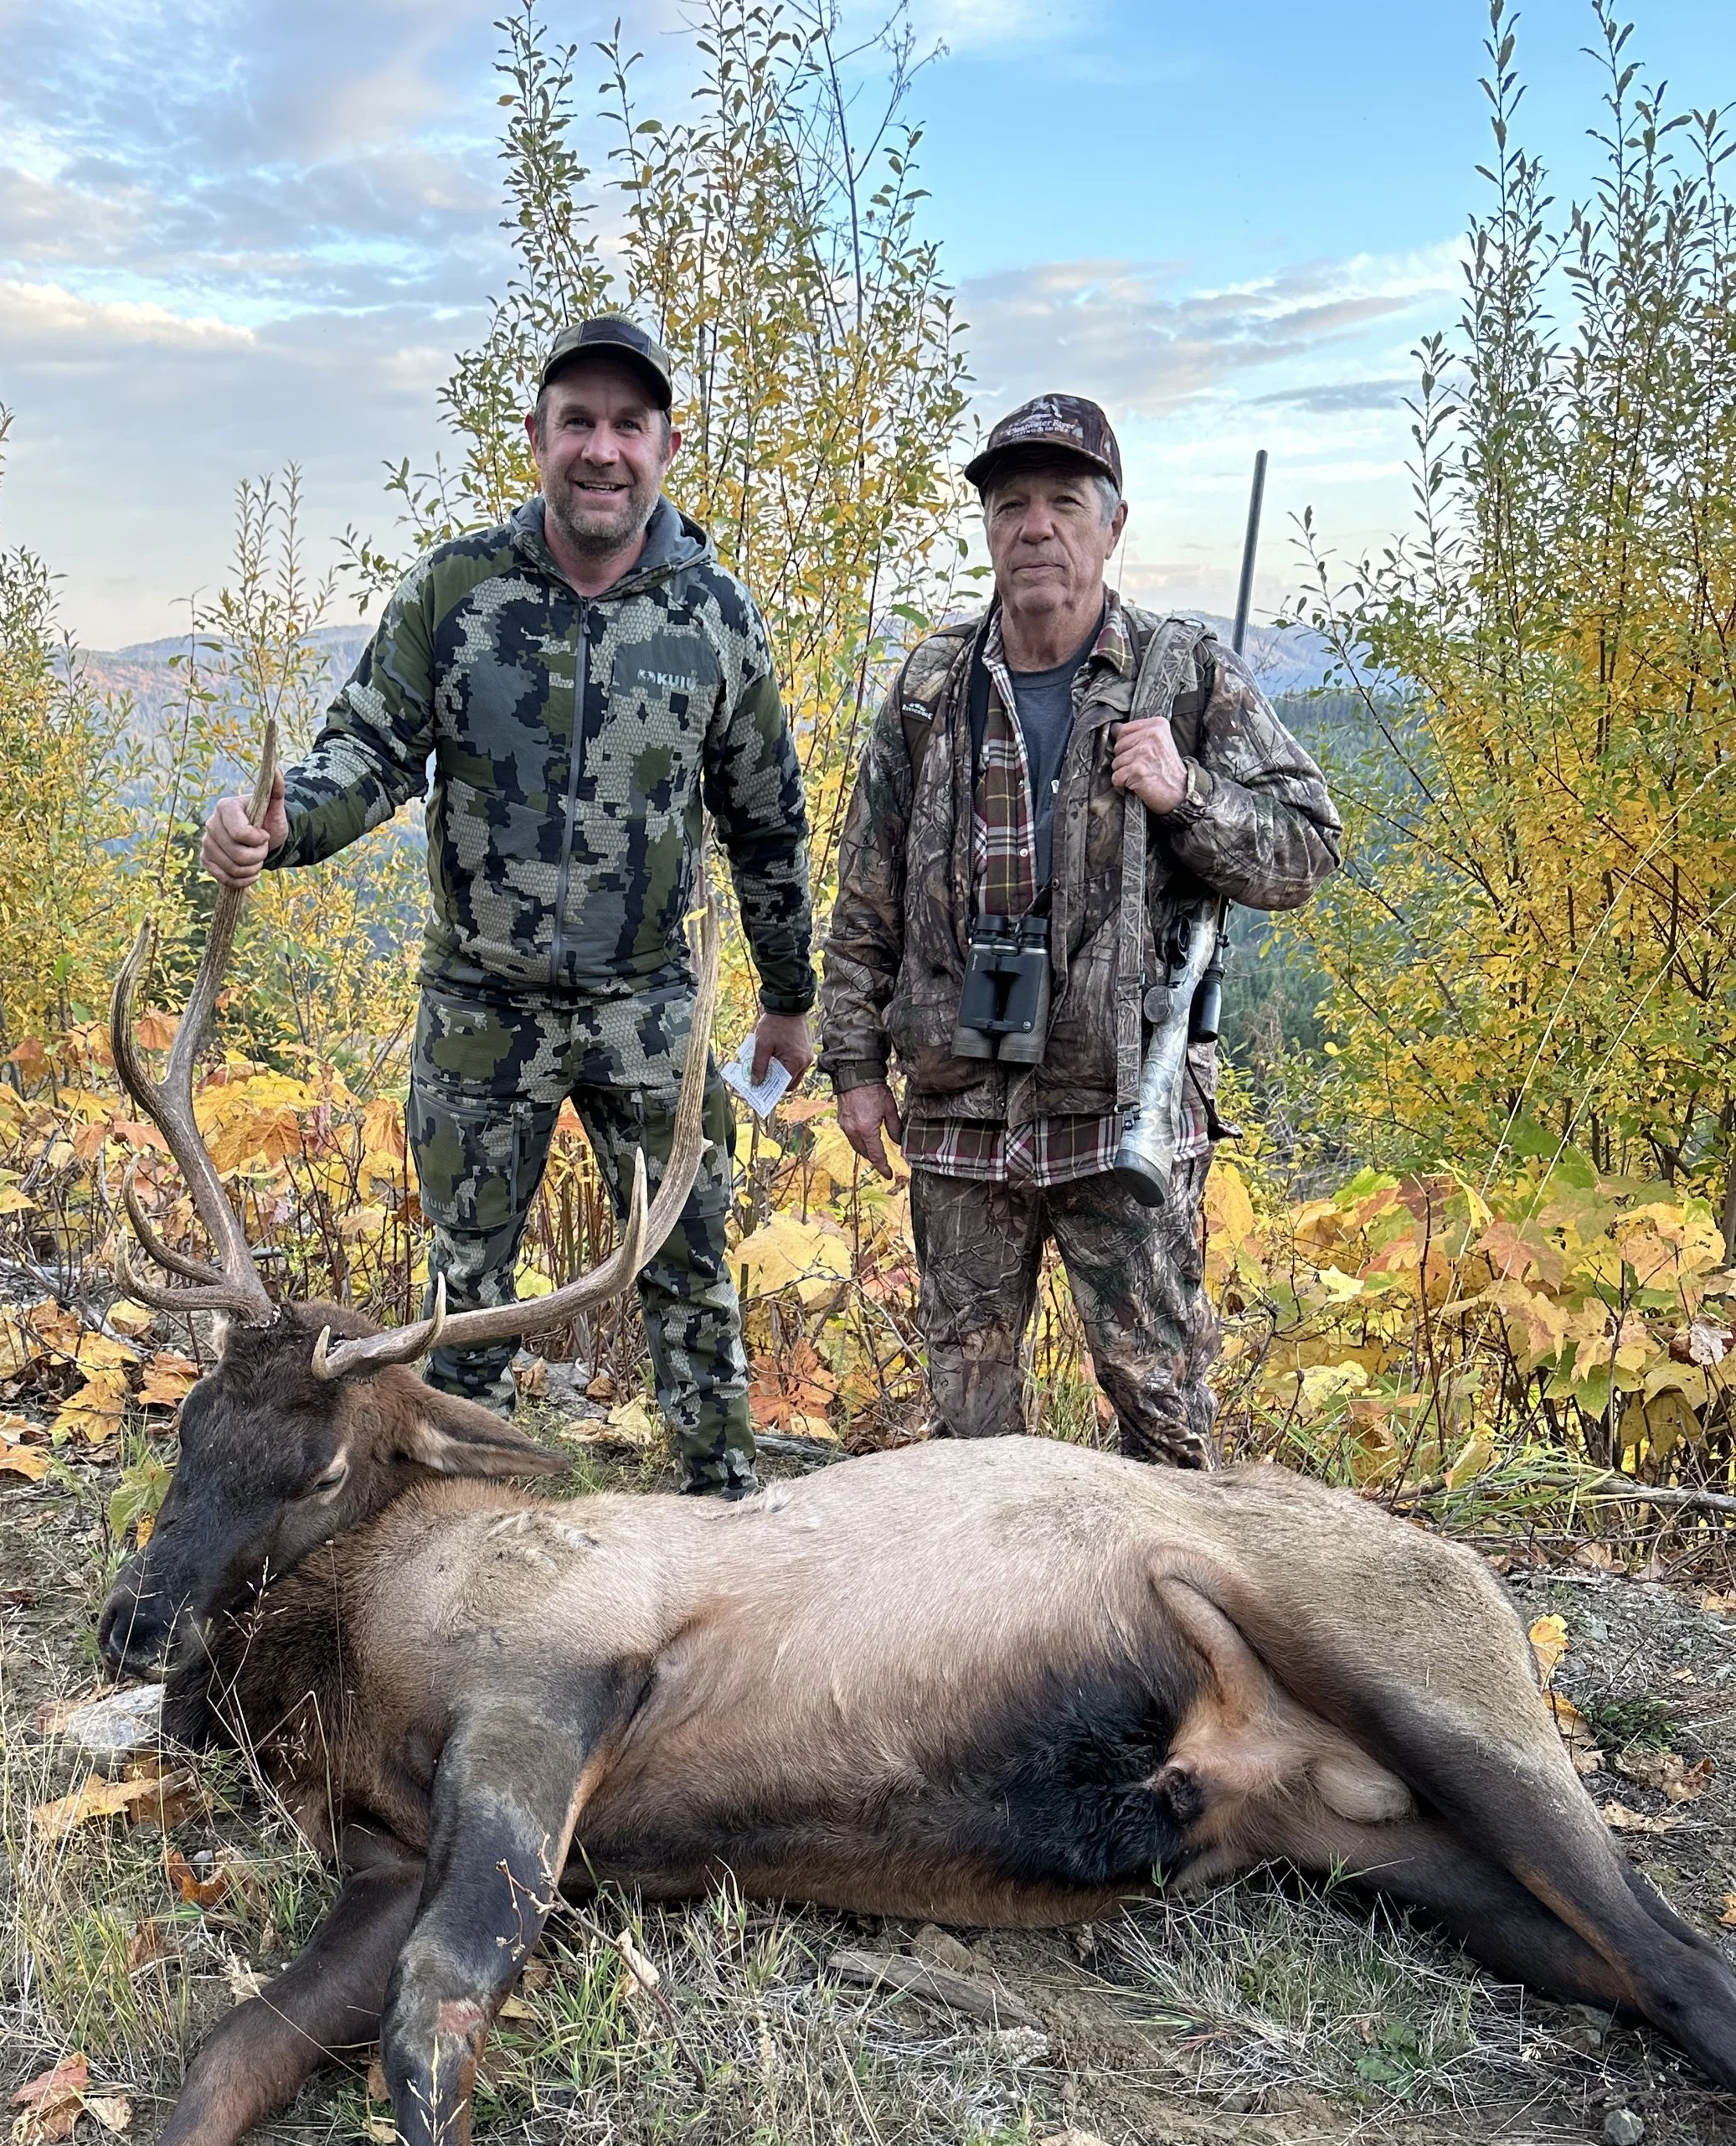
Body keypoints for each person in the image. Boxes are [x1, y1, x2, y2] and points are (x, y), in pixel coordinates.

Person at [201, 315, 814, 1497]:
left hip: (650, 1009)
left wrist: (788, 1000)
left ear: (666, 447)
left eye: (626, 426)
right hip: (484, 1009)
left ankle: (727, 1518)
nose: (601, 450)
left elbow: (766, 820)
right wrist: (281, 826)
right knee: (461, 1304)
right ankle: (450, 1543)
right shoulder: (457, 592)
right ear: (536, 437)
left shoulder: (716, 617)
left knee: (688, 1271)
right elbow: (368, 751)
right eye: (577, 422)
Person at [819, 395, 1341, 1465]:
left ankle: (1171, 1630)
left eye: (1065, 502)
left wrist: (1186, 791)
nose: (1036, 526)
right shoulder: (927, 688)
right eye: (1012, 505)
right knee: (965, 1432)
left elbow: (1305, 849)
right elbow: (864, 898)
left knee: (1162, 1418)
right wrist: (852, 1065)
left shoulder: (1183, 676)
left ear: (1113, 524)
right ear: (989, 530)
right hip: (960, 1111)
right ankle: (987, 1632)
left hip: (1122, 1108)